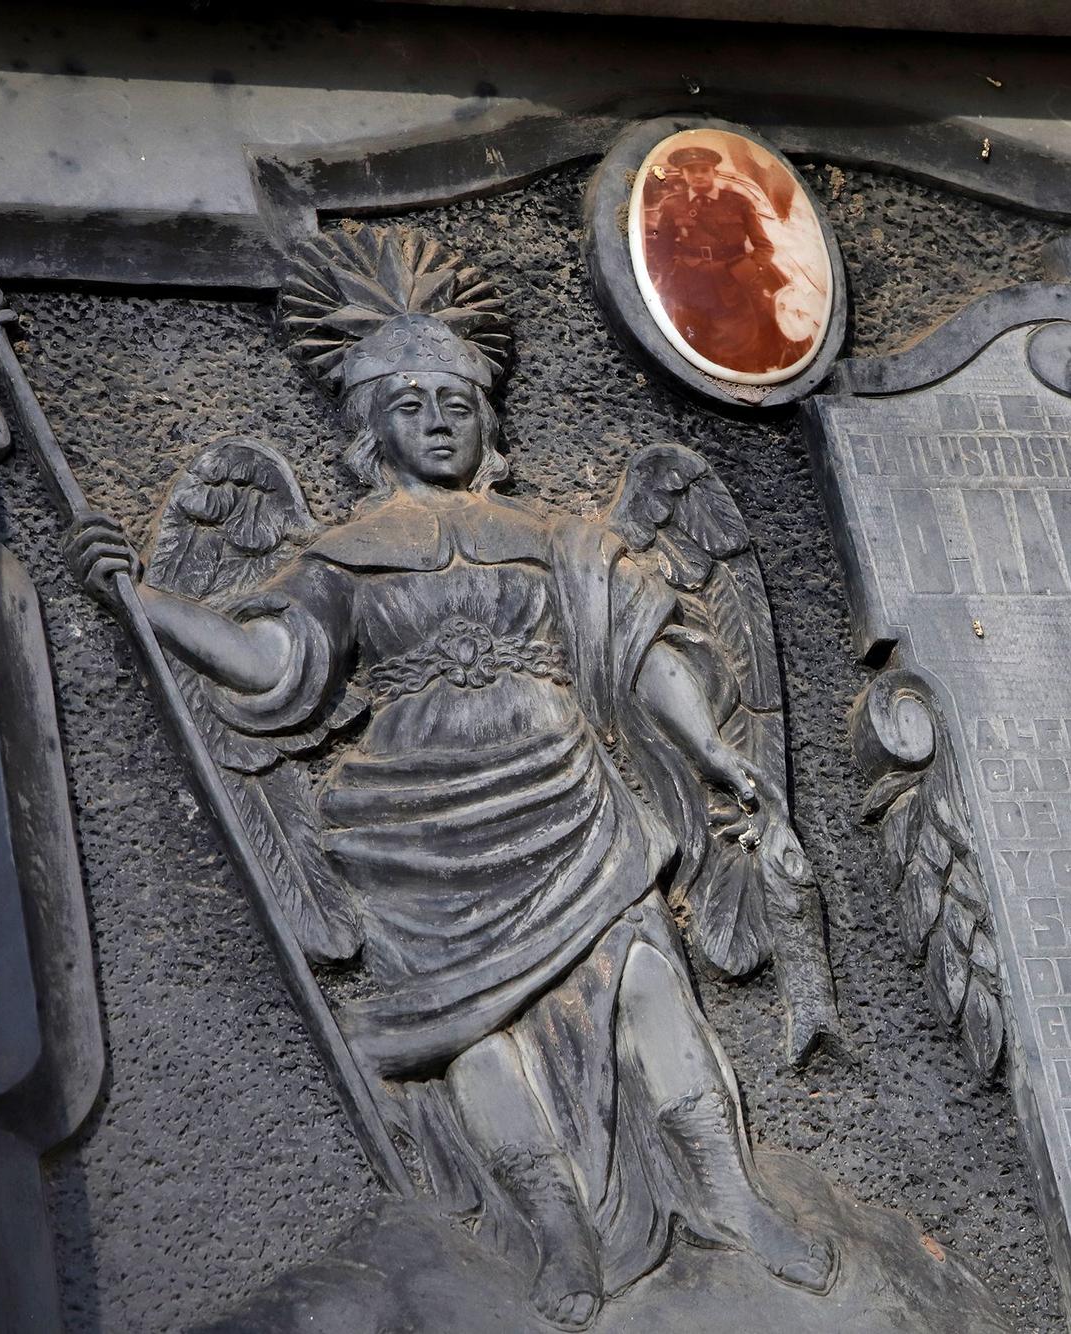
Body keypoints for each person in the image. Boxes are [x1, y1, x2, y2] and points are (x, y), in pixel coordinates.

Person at [63, 296, 834, 1331]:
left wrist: (709, 747)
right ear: (370, 427)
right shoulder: (339, 557)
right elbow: (278, 664)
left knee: (652, 984)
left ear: (488, 423)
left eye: (456, 401)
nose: (436, 418)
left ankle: (731, 1199)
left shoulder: (557, 538)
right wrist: (148, 604)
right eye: (410, 402)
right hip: (419, 833)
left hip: (567, 793)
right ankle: (555, 1224)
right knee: (474, 1034)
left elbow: (639, 650)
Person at [646, 144, 808, 375]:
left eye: (704, 169)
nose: (698, 175)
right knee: (690, 344)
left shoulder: (739, 203)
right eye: (691, 170)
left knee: (739, 347)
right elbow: (661, 248)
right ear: (683, 175)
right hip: (688, 286)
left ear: (715, 172)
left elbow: (764, 247)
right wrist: (671, 272)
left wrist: (749, 270)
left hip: (732, 285)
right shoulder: (672, 205)